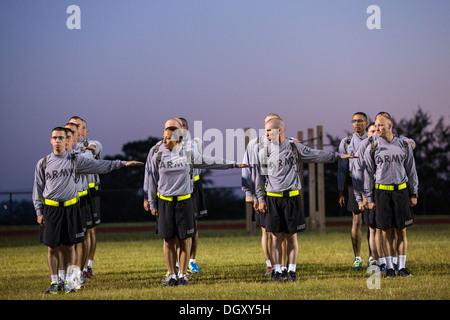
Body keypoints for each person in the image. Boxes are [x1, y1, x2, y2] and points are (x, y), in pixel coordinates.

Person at [33, 127, 143, 294]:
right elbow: (37, 189)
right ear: (50, 140)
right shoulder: (43, 163)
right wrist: (39, 212)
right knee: (52, 247)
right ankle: (55, 282)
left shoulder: (75, 160)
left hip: (71, 207)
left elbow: (99, 166)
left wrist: (123, 163)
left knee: (70, 246)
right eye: (54, 138)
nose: (57, 141)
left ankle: (70, 281)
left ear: (66, 141)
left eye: (60, 138)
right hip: (51, 209)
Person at [255, 118, 357, 282]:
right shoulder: (263, 152)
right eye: (265, 131)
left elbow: (316, 154)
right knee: (275, 237)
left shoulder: (294, 148)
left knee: (291, 237)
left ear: (279, 131)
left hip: (292, 198)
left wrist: (338, 156)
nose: (266, 134)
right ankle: (277, 271)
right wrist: (260, 199)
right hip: (273, 199)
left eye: (269, 131)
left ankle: (292, 270)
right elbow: (259, 179)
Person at [147, 126, 250, 286]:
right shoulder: (158, 156)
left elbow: (213, 162)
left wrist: (235, 164)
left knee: (184, 240)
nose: (164, 141)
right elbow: (152, 181)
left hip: (185, 202)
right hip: (165, 203)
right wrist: (152, 203)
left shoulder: (188, 155)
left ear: (178, 139)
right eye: (163, 137)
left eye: (168, 138)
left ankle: (182, 275)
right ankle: (172, 276)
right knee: (168, 240)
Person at [363, 115, 418, 277]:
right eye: (376, 126)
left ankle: (401, 267)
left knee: (401, 231)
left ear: (390, 125)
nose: (377, 128)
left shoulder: (403, 146)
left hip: (401, 192)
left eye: (380, 125)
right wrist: (369, 198)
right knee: (385, 231)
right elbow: (367, 174)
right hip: (381, 193)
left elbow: (411, 171)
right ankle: (389, 268)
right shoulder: (372, 147)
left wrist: (413, 192)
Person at [69, 116, 103, 278]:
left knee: (89, 231)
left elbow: (94, 148)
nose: (76, 129)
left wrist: (83, 146)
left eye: (79, 126)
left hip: (90, 191)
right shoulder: (68, 147)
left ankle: (87, 265)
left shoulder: (92, 144)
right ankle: (75, 269)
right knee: (77, 232)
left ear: (85, 130)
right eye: (73, 126)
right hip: (74, 193)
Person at [337, 112, 368, 270]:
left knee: (373, 223)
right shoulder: (346, 142)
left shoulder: (373, 139)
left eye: (360, 121)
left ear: (367, 123)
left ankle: (373, 257)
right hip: (353, 184)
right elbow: (342, 168)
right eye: (354, 121)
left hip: (371, 183)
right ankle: (357, 257)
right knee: (357, 221)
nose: (357, 124)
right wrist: (340, 191)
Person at [179, 117, 204, 275]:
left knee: (193, 226)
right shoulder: (167, 144)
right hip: (179, 187)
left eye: (183, 126)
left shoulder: (195, 142)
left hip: (193, 185)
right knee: (178, 227)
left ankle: (192, 261)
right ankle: (178, 262)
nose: (180, 129)